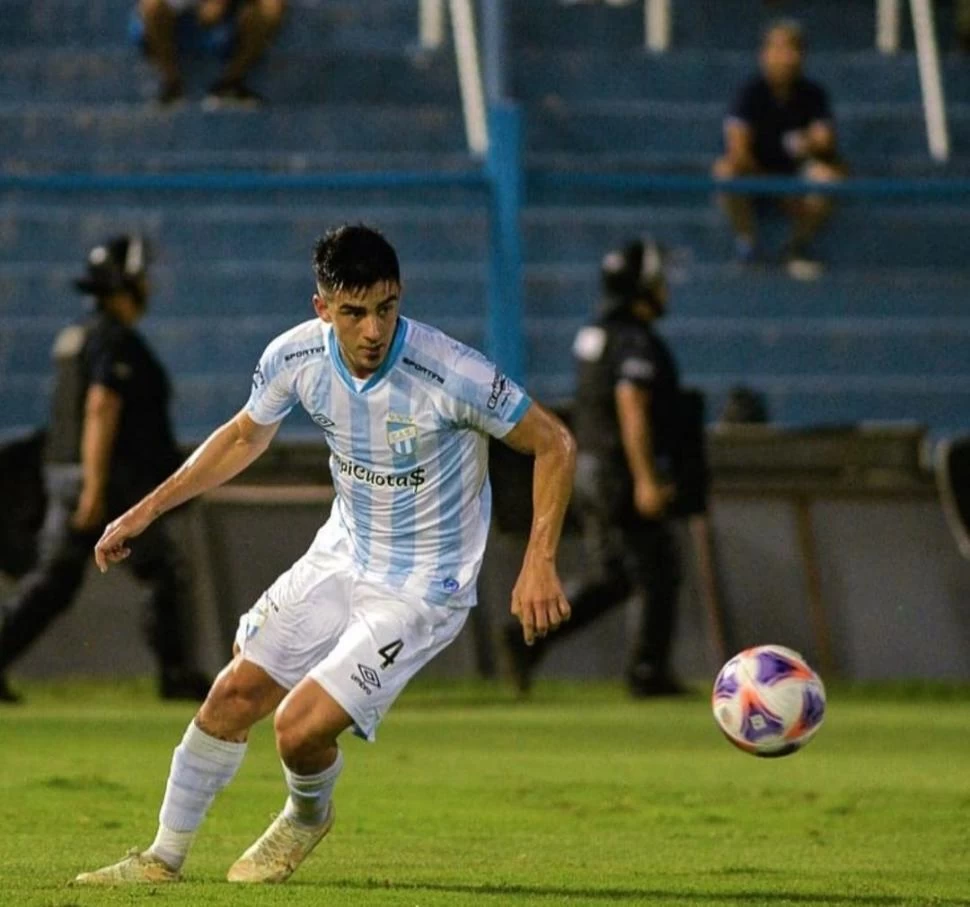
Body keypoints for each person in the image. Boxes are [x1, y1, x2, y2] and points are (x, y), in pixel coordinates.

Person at [72, 224, 576, 886]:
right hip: (342, 554)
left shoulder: (450, 371)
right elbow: (242, 436)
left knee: (297, 729)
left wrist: (539, 559)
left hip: (423, 585)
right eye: (354, 312)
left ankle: (307, 815)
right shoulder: (295, 357)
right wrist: (144, 509)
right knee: (232, 693)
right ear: (323, 308)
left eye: (387, 307)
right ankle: (161, 856)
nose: (374, 329)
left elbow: (555, 443)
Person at [0, 236, 210, 704]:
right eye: (140, 280)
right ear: (124, 285)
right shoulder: (114, 341)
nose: (148, 288)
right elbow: (100, 406)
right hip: (106, 481)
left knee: (53, 580)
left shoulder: (78, 336)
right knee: (162, 569)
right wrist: (95, 486)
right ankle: (176, 674)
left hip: (67, 475)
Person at [505, 238, 688, 698]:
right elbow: (631, 404)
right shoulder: (634, 340)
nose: (666, 288)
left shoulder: (595, 334)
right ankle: (648, 673)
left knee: (614, 575)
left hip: (587, 469)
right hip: (617, 474)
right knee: (657, 568)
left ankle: (528, 639)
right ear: (642, 286)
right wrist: (646, 479)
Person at [712, 20, 846, 280]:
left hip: (797, 176)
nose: (787, 58)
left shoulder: (813, 94)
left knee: (829, 177)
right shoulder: (749, 94)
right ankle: (748, 247)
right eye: (780, 49)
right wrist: (778, 192)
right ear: (765, 54)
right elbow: (738, 152)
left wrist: (807, 143)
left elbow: (825, 141)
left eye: (794, 50)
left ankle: (796, 248)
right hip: (757, 176)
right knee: (724, 171)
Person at [135, 0, 286, 106]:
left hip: (233, 11)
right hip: (185, 11)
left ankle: (229, 84)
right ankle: (172, 85)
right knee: (151, 5)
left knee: (271, 6)